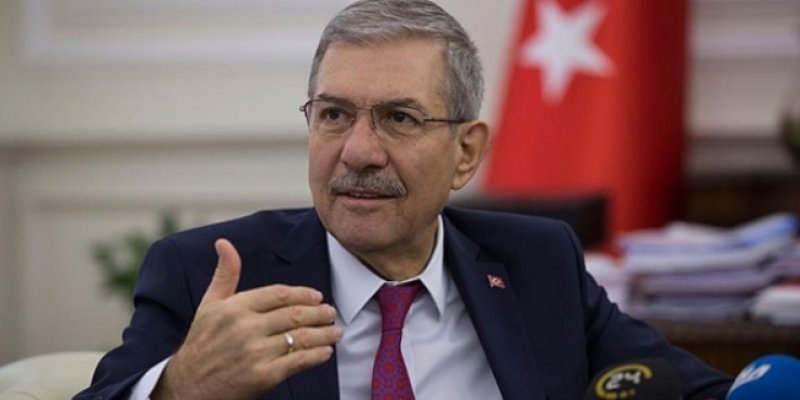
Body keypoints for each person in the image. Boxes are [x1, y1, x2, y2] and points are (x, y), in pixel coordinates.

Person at [76, 0, 734, 399]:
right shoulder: (211, 274)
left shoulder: (538, 264)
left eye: (399, 118)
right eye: (334, 115)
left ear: (466, 153)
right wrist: (181, 389)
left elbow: (699, 391)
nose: (358, 151)